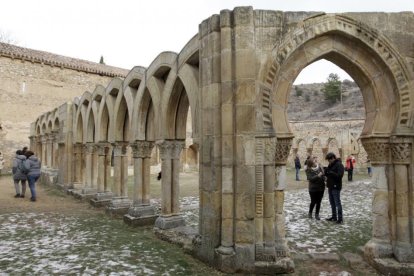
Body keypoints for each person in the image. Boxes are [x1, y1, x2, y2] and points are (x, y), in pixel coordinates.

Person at [325, 152, 345, 224]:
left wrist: (331, 172)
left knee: (337, 203)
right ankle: (334, 217)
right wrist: (326, 172)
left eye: (329, 160)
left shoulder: (339, 165)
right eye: (328, 160)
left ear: (333, 158)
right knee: (332, 203)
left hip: (336, 186)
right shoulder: (330, 165)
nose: (329, 161)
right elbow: (328, 174)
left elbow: (340, 176)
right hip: (330, 186)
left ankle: (340, 219)